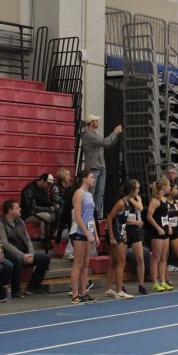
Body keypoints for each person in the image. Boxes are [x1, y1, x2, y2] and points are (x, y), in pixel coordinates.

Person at [0, 200, 51, 298]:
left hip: (23, 252)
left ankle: (32, 288)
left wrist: (31, 254)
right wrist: (22, 255)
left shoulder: (20, 221)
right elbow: (5, 244)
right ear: (10, 211)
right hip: (7, 253)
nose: (20, 209)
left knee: (45, 258)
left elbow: (27, 239)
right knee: (17, 258)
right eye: (17, 208)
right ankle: (16, 290)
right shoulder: (0, 223)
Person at [80, 114, 122, 219]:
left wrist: (116, 135)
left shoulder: (94, 135)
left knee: (99, 194)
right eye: (96, 120)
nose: (97, 122)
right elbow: (105, 142)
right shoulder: (88, 135)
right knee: (92, 193)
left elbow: (107, 144)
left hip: (100, 167)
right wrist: (115, 133)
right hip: (93, 168)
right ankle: (90, 215)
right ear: (91, 122)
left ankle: (97, 216)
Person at [68, 170, 97, 302]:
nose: (93, 179)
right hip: (79, 231)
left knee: (85, 264)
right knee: (78, 263)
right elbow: (78, 217)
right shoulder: (78, 194)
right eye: (91, 177)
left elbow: (91, 216)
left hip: (88, 231)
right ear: (84, 179)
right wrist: (86, 233)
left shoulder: (90, 195)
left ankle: (84, 292)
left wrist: (95, 234)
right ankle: (75, 294)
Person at [21, 173, 57, 250]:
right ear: (42, 180)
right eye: (48, 183)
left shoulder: (43, 189)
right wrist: (49, 209)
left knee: (56, 216)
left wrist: (53, 206)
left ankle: (57, 238)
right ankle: (44, 240)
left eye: (50, 184)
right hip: (28, 214)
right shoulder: (29, 189)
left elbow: (47, 202)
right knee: (46, 216)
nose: (49, 186)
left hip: (39, 212)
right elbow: (32, 208)